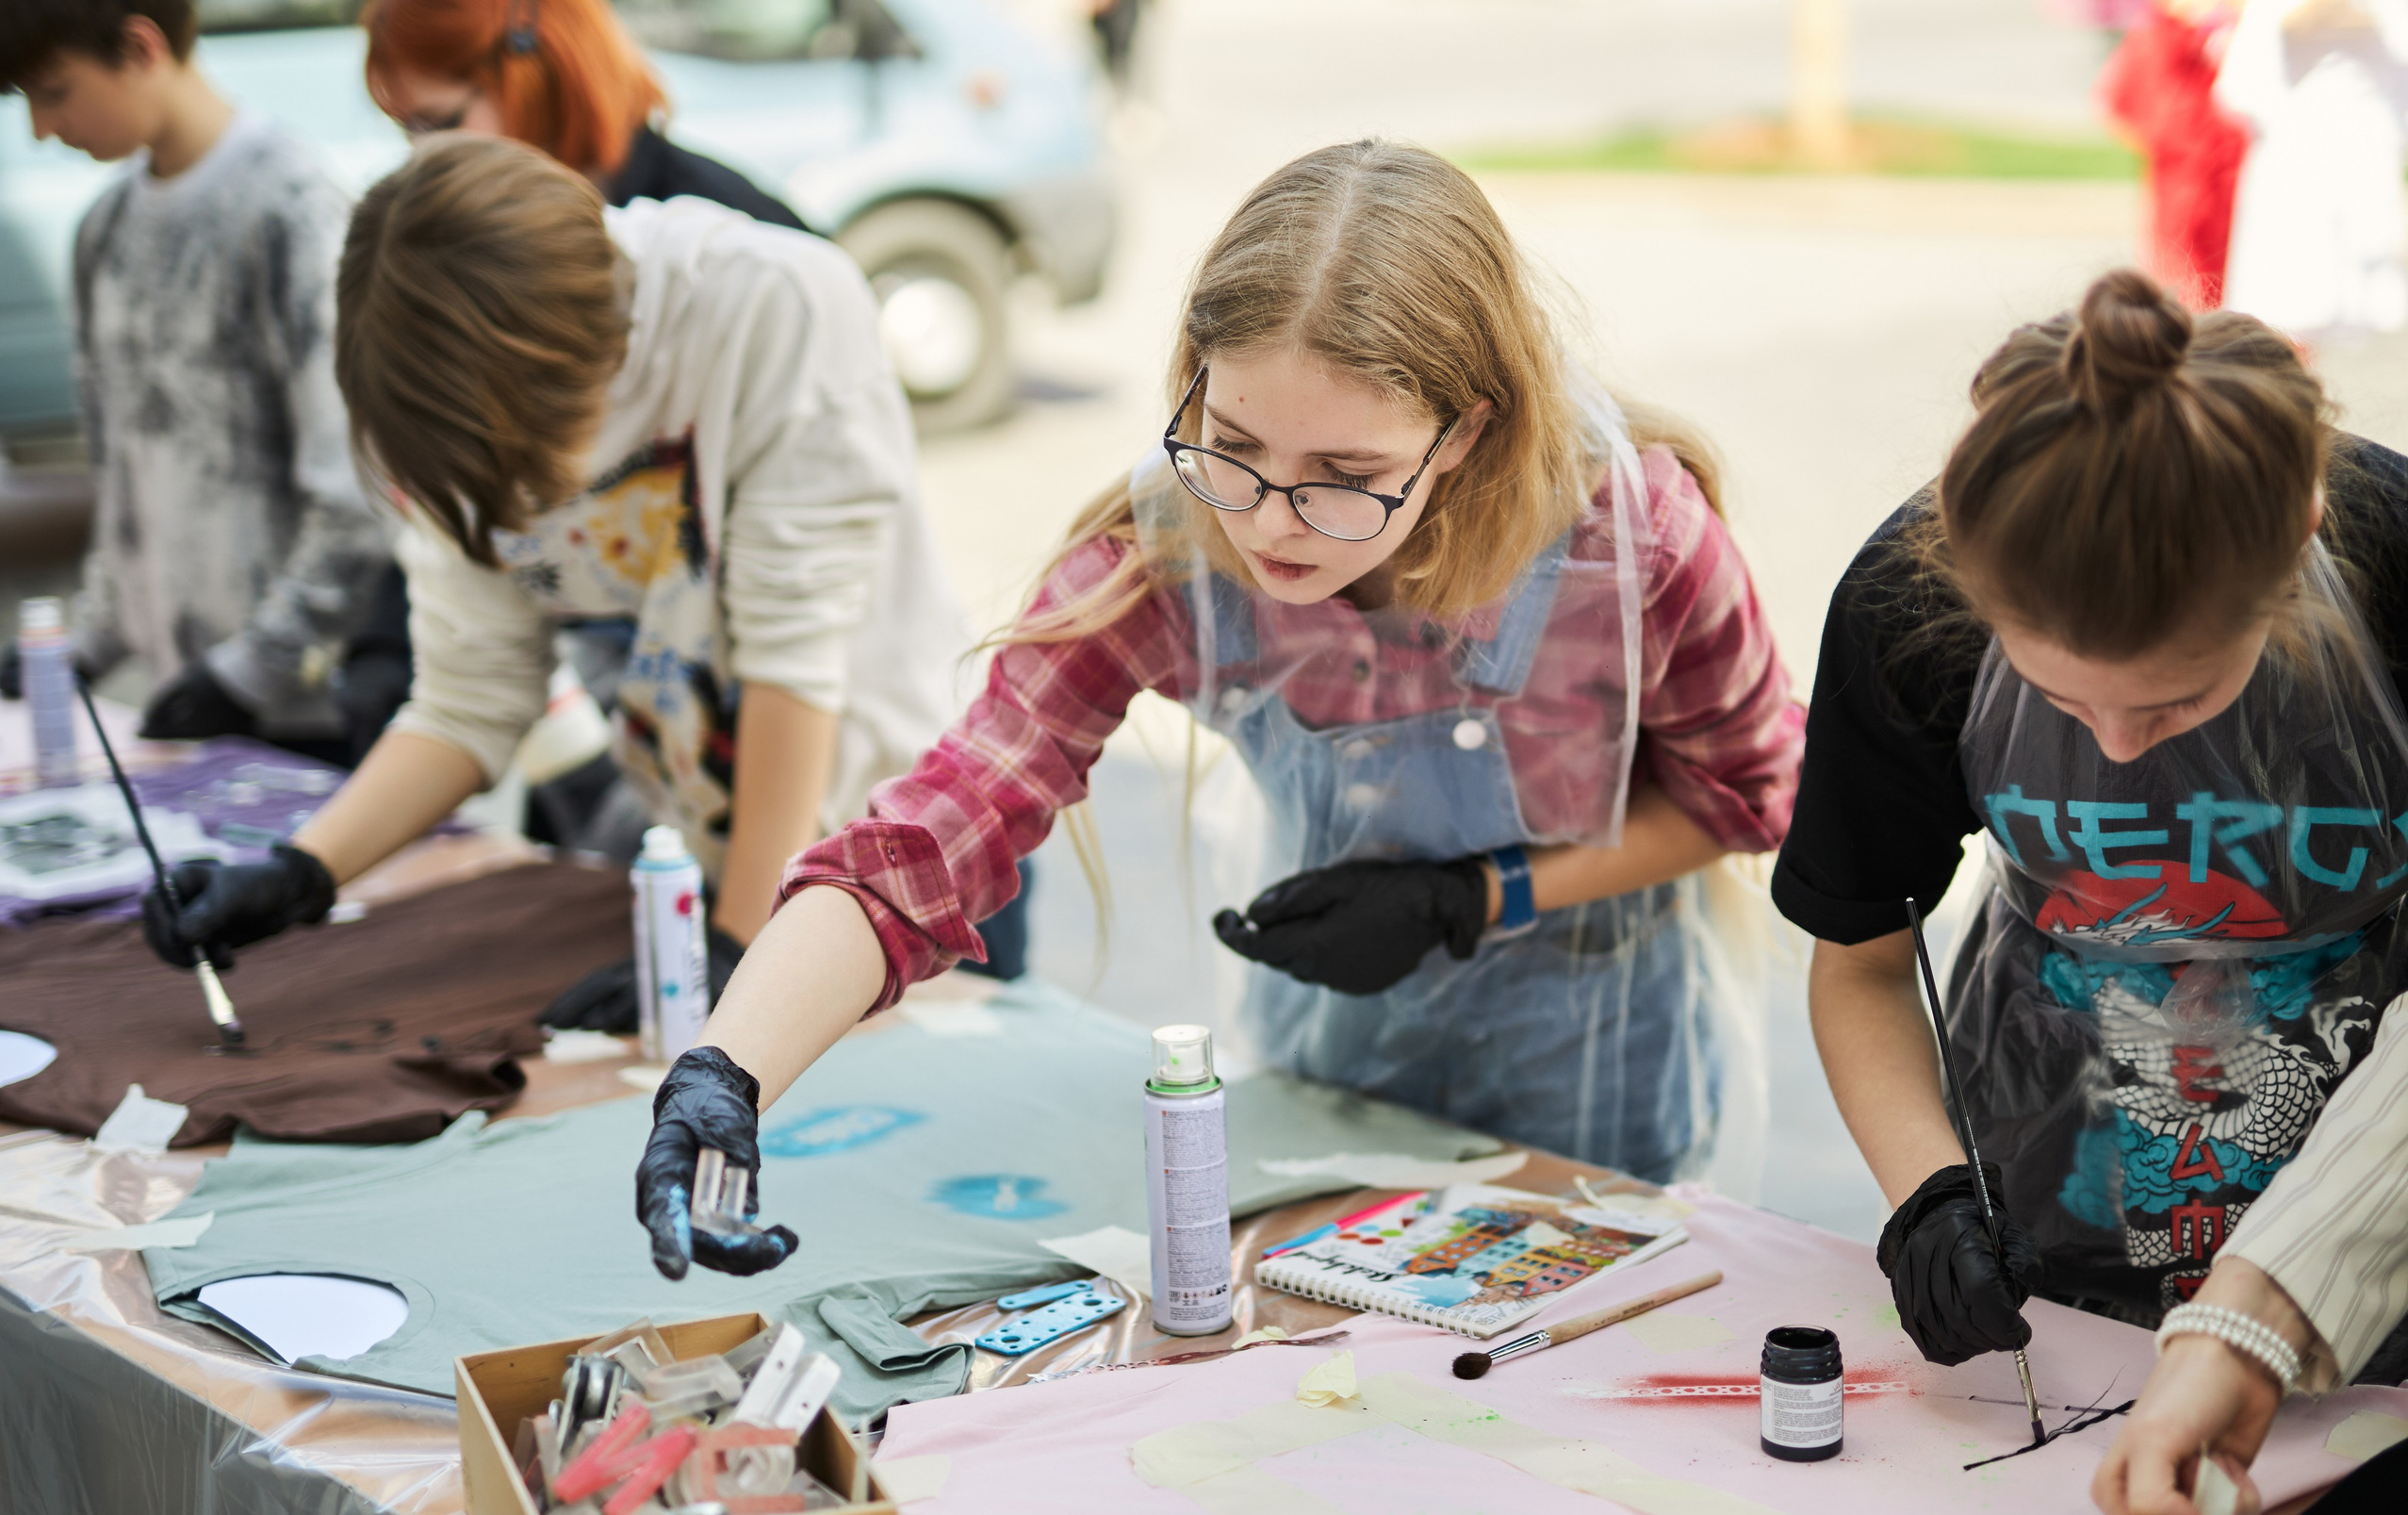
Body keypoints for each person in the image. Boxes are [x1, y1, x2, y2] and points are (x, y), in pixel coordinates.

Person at [626, 139, 1806, 1279]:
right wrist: (728, 1068)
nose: (1273, 523)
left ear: (1466, 431)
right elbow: (936, 836)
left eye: (1346, 479)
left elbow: (1754, 797)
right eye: (1232, 446)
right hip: (1332, 1065)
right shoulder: (1164, 553)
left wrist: (1474, 896)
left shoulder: (1634, 545)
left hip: (1602, 1083)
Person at [1773, 269, 2408, 1515]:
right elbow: (1862, 961)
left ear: (2298, 536)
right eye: (2065, 698)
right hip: (2061, 1242)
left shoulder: (2398, 576)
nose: (2116, 742)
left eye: (2173, 702)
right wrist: (1926, 1192)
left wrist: (2265, 1309)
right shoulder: (1906, 612)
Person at [136, 135, 971, 1030]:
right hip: (725, 877)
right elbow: (469, 698)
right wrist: (299, 873)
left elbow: (793, 662)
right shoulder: (448, 401)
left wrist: (744, 949)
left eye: (528, 472)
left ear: (581, 362)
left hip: (899, 857)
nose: (523, 510)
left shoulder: (775, 305)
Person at [0, 0, 401, 763]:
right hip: (190, 701)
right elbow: (125, 480)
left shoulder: (293, 208)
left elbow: (356, 486)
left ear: (141, 47)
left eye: (53, 92)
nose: (42, 130)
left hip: (308, 708)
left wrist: (254, 666)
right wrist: (87, 642)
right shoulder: (104, 228)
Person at [362, 0, 811, 233]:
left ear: (538, 72)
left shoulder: (726, 224)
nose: (421, 153)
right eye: (406, 127)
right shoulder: (468, 230)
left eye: (440, 123)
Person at [2216, 0, 2408, 338]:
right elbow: (2243, 83)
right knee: (2289, 300)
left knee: (2363, 294)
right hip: (2298, 148)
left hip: (2359, 148)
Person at [2099, 0, 2251, 310]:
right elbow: (2126, 108)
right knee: (2185, 287)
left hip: (2233, 179)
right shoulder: (2157, 32)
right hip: (2185, 186)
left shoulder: (2234, 29)